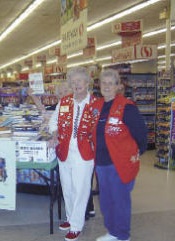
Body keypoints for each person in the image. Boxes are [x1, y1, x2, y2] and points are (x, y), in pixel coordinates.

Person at [92, 69, 147, 241]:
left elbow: (141, 133)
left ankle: (123, 235)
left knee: (120, 200)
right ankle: (112, 232)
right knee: (106, 201)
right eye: (104, 82)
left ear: (118, 86)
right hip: (101, 163)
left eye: (111, 83)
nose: (107, 86)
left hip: (119, 163)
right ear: (99, 85)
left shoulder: (127, 107)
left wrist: (137, 152)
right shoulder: (96, 106)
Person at [48, 67, 96, 241]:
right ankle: (69, 217)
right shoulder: (65, 102)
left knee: (80, 189)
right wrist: (55, 134)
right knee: (67, 187)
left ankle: (76, 225)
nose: (76, 85)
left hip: (84, 154)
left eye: (79, 81)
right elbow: (53, 121)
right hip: (65, 150)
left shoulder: (95, 103)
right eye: (73, 82)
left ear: (87, 82)